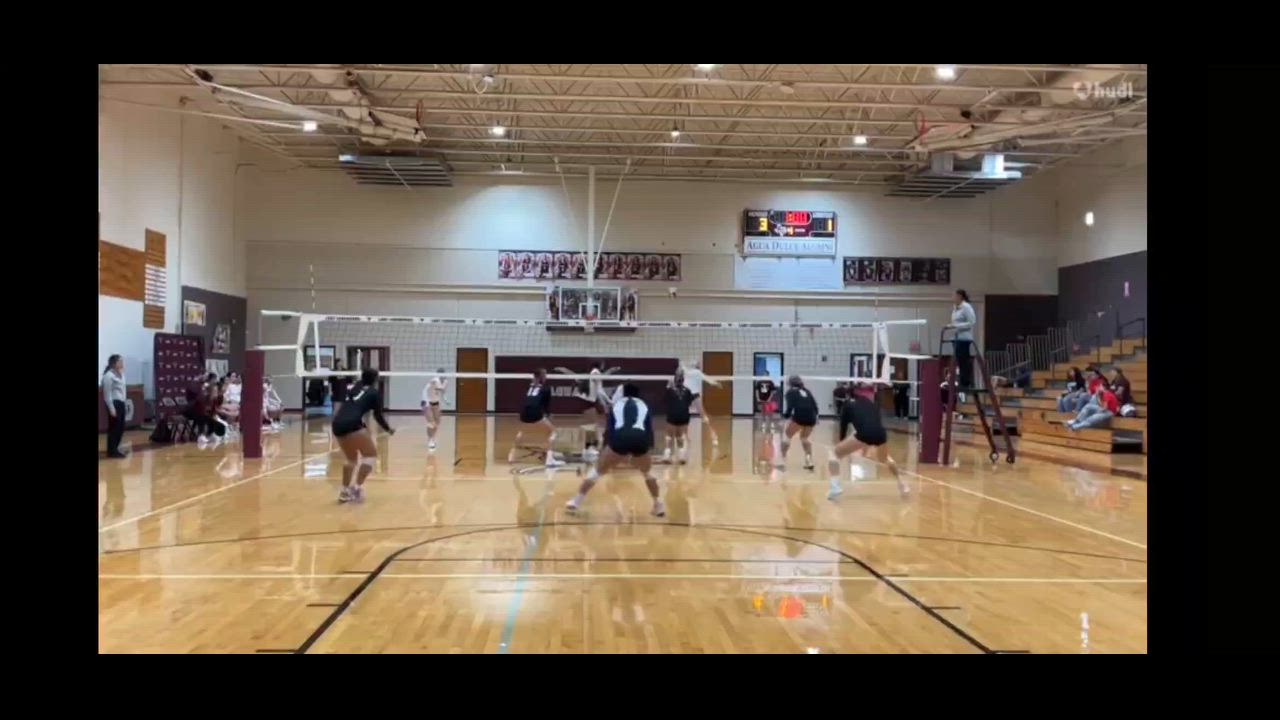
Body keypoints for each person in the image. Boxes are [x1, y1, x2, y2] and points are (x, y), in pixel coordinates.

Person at [566, 383, 664, 517]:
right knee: (647, 473)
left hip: (620, 439)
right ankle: (658, 505)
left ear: (623, 393)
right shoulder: (644, 405)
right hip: (640, 440)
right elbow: (649, 428)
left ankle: (576, 501)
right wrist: (648, 448)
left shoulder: (616, 405)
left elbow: (610, 429)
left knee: (597, 471)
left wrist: (609, 449)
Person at [828, 386, 906, 499]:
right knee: (885, 459)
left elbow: (843, 429)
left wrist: (841, 446)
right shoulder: (867, 401)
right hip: (880, 433)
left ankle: (835, 487)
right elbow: (874, 419)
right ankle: (901, 483)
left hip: (864, 434)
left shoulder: (846, 406)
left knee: (834, 454)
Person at [331, 368, 396, 503]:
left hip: (337, 424)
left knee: (351, 460)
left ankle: (344, 491)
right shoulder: (374, 393)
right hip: (353, 424)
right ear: (376, 379)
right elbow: (377, 416)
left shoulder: (355, 387)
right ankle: (356, 487)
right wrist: (388, 429)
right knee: (370, 455)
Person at [507, 369, 564, 467]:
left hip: (523, 414)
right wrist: (549, 414)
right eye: (545, 375)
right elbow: (546, 406)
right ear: (542, 377)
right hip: (535, 414)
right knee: (553, 431)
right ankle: (549, 460)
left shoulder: (530, 387)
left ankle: (511, 455)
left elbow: (529, 401)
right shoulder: (546, 389)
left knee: (522, 432)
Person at [776, 375, 819, 470]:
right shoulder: (807, 391)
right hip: (811, 418)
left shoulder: (790, 392)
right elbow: (815, 406)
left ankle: (782, 462)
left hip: (800, 417)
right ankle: (809, 462)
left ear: (790, 383)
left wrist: (784, 418)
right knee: (804, 438)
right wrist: (816, 418)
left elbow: (790, 407)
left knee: (787, 436)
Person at [682, 359, 721, 445]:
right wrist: (716, 383)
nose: (700, 365)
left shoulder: (689, 371)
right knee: (703, 416)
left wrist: (683, 365)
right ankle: (714, 437)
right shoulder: (693, 372)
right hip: (690, 395)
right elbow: (708, 379)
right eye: (699, 364)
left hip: (689, 395)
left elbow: (707, 379)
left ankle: (713, 436)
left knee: (688, 416)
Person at [662, 370, 695, 463]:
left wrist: (668, 387)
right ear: (683, 380)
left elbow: (664, 401)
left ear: (675, 379)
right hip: (684, 416)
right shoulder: (688, 390)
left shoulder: (669, 390)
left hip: (672, 415)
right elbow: (689, 403)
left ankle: (667, 455)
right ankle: (681, 457)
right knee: (680, 436)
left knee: (669, 435)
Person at [947, 289, 977, 388]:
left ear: (960, 296)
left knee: (963, 360)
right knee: (959, 360)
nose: (953, 298)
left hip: (964, 338)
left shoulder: (966, 307)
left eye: (954, 296)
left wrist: (956, 326)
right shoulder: (955, 308)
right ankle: (962, 380)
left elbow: (971, 322)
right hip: (956, 337)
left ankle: (965, 382)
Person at [102, 354, 128, 458]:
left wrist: (124, 403)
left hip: (121, 403)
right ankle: (112, 451)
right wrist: (111, 409)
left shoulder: (121, 374)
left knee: (121, 427)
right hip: (114, 403)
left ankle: (115, 448)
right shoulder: (108, 376)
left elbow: (123, 391)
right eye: (119, 361)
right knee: (114, 428)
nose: (122, 363)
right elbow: (107, 394)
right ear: (113, 363)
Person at [422, 369, 447, 451]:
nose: (443, 376)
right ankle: (430, 441)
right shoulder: (434, 380)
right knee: (431, 423)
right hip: (426, 403)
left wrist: (445, 399)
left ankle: (432, 438)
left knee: (437, 422)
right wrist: (443, 386)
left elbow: (442, 393)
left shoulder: (444, 381)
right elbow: (439, 388)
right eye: (441, 374)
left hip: (436, 404)